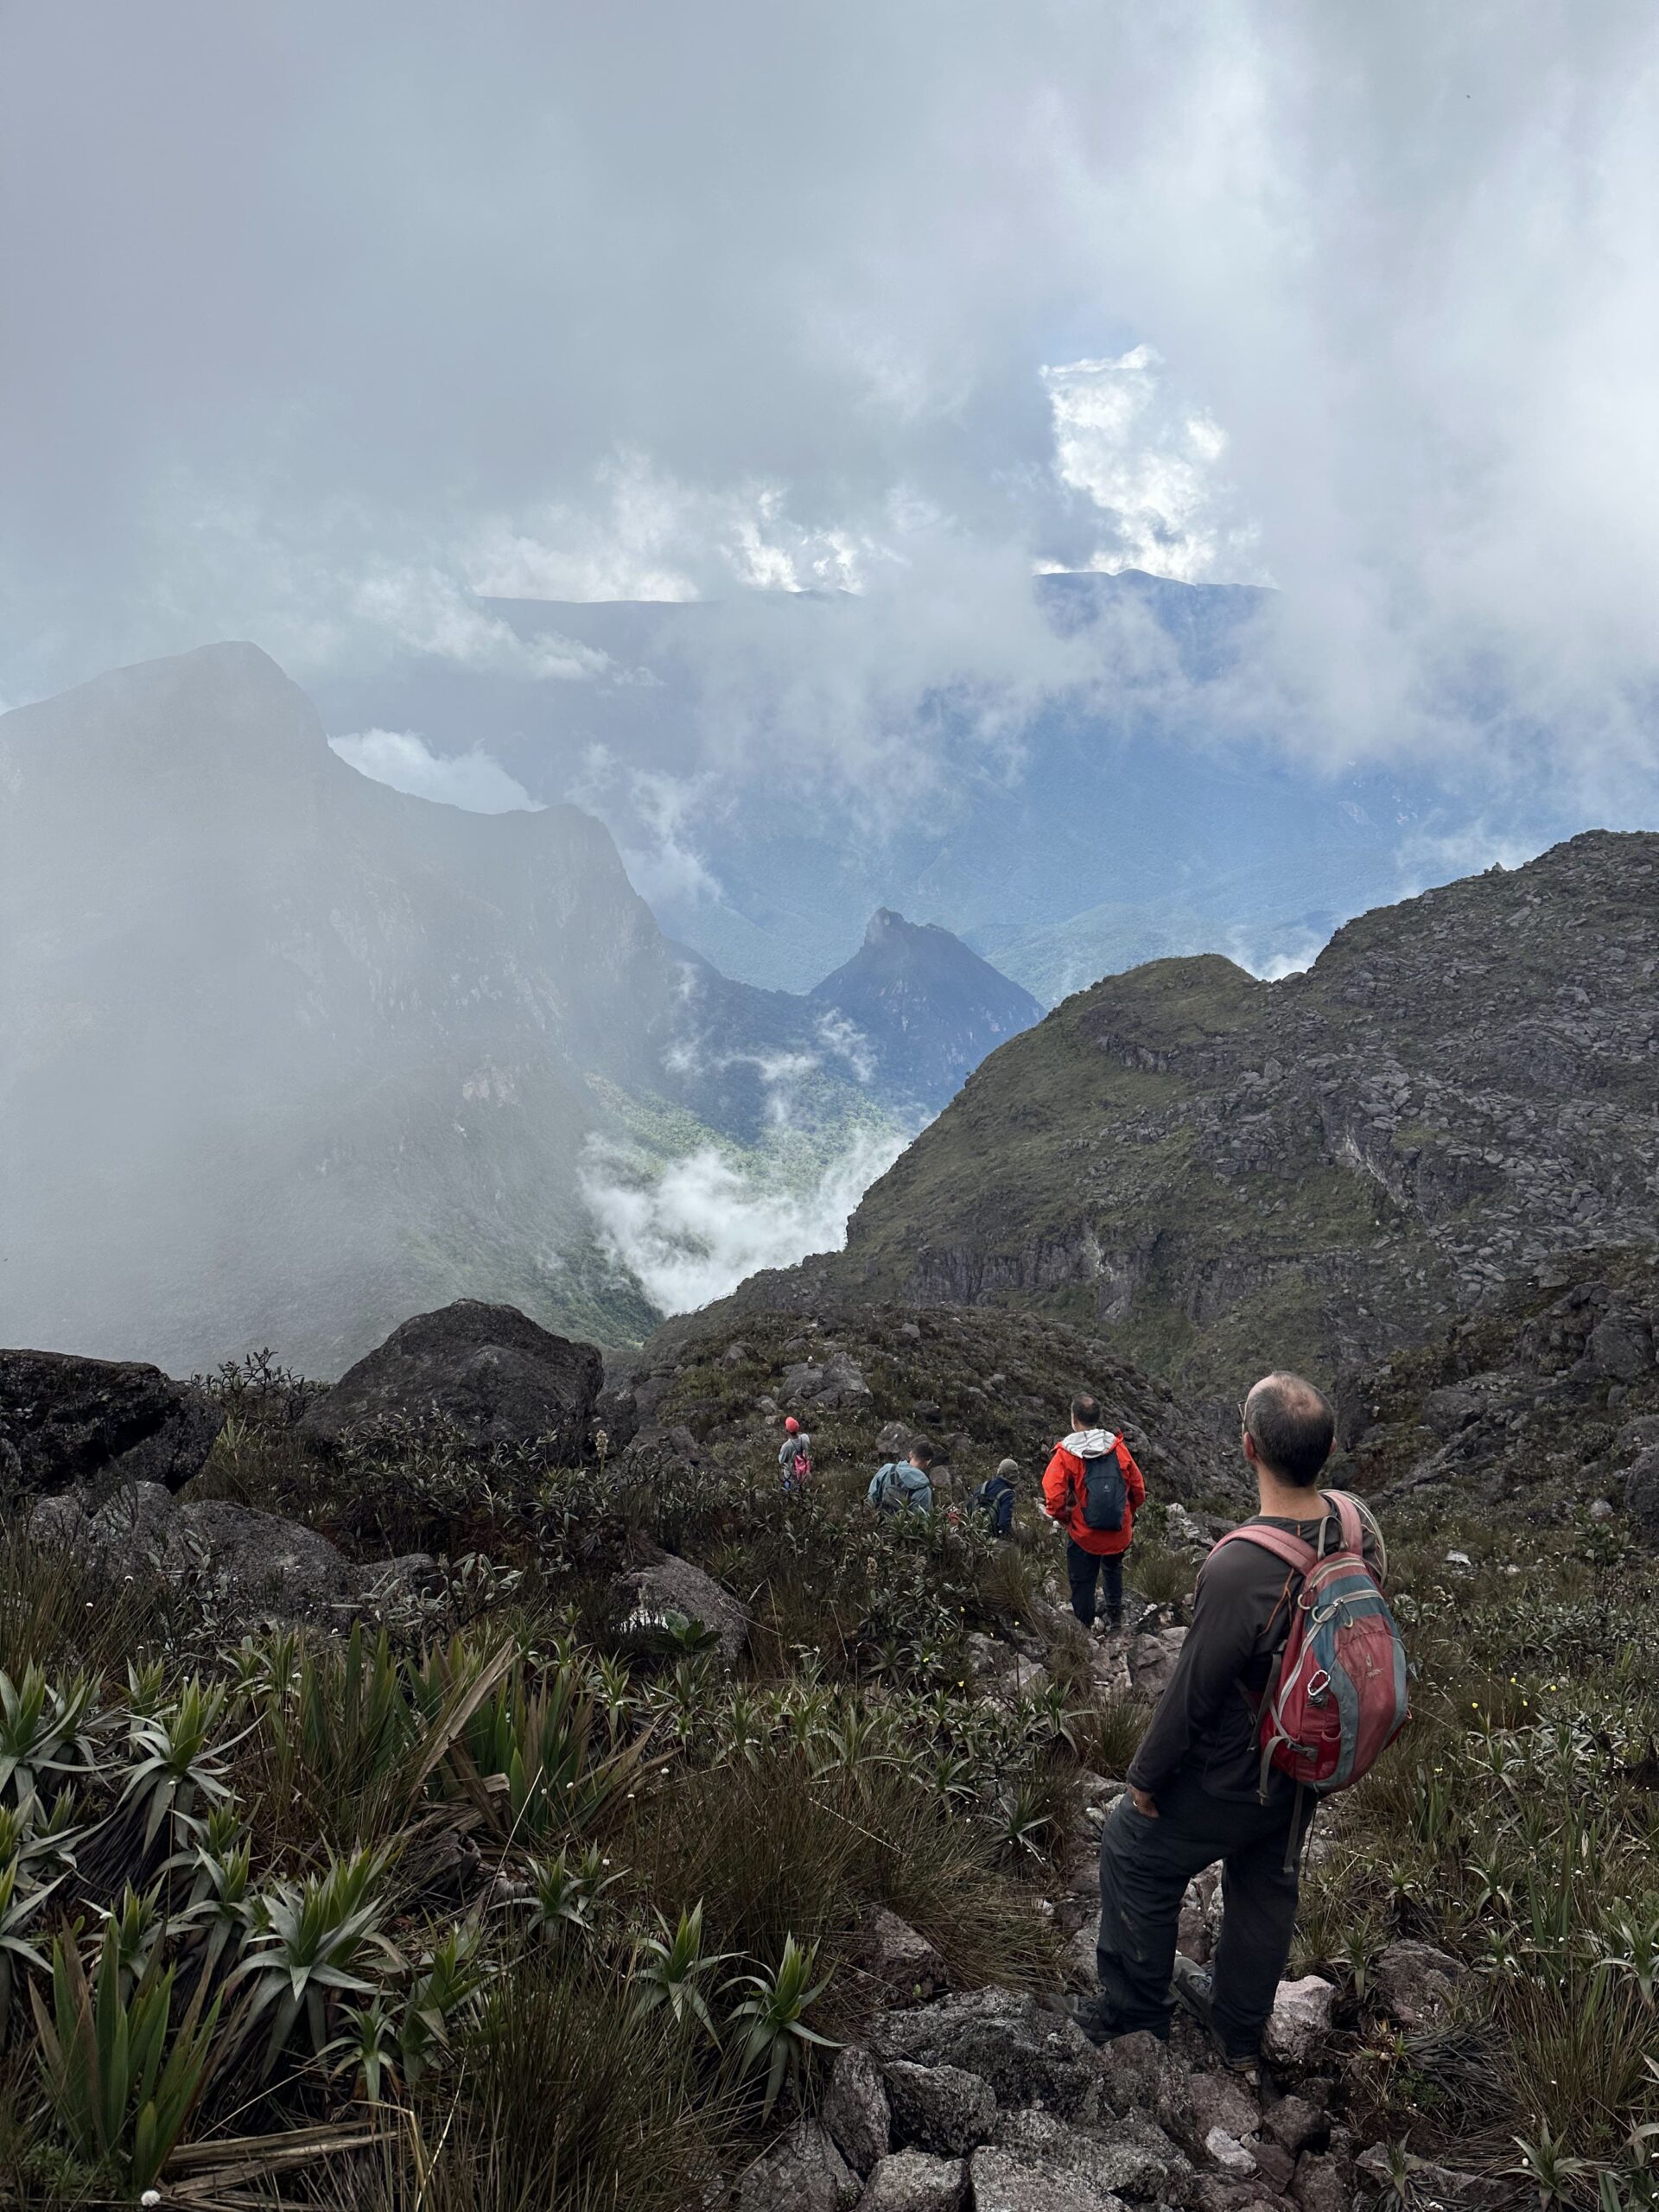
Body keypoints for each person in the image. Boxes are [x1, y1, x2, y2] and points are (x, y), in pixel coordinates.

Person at [1079, 1371, 1384, 2076]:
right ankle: (1242, 2033)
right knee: (1266, 1879)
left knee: (1132, 1847)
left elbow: (1193, 1693)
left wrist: (1145, 1782)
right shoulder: (1353, 1524)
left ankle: (1134, 2020)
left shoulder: (1240, 1565)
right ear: (1330, 1449)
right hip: (1308, 1760)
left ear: (1248, 1448)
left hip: (1237, 1772)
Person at [1042, 1396, 1146, 1632]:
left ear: (1074, 1419)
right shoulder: (1118, 1448)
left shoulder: (1066, 1454)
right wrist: (1128, 1514)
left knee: (1082, 1580)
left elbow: (1054, 1497)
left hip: (1083, 1534)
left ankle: (1084, 1627)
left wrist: (1067, 1518)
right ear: (1098, 1418)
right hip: (1118, 1530)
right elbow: (1138, 1489)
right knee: (1113, 1569)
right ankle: (1115, 1619)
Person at [868, 1440, 934, 1512]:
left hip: (878, 1520)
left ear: (911, 1454)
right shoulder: (925, 1490)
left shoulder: (888, 1469)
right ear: (928, 1462)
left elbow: (871, 1496)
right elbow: (922, 1518)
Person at [969, 1457, 1021, 1538]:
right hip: (992, 1539)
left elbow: (968, 1509)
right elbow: (1004, 1523)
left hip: (973, 1535)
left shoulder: (981, 1487)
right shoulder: (1008, 1494)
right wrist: (1014, 1538)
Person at [777, 1416, 812, 1491]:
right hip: (804, 1473)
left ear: (787, 1430)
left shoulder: (786, 1446)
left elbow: (781, 1461)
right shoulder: (805, 1438)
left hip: (791, 1477)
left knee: (789, 1491)